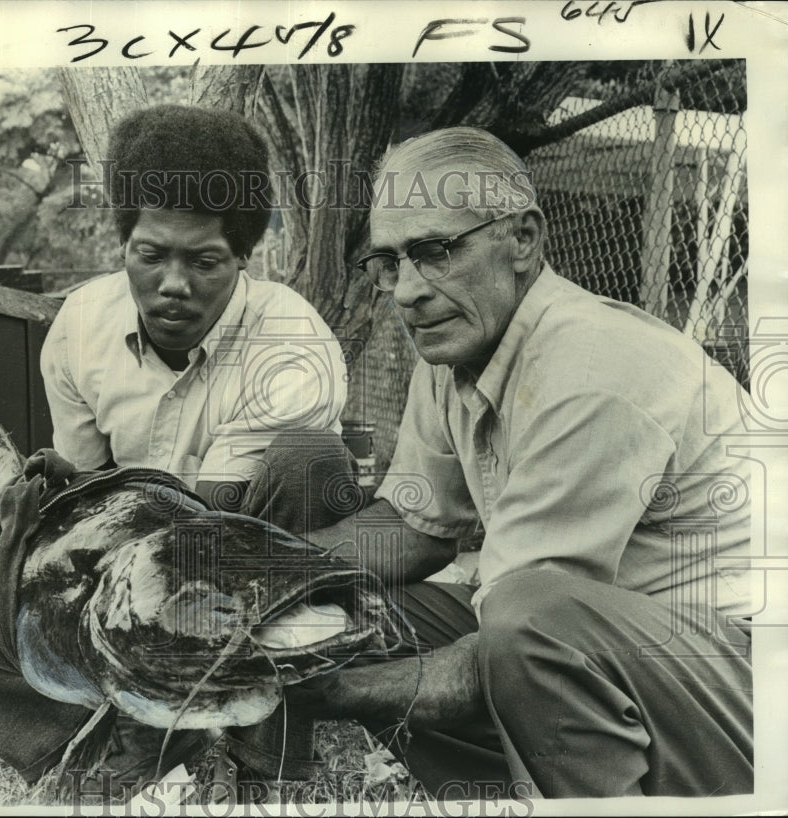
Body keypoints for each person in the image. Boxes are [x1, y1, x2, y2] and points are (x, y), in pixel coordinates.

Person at [0, 105, 352, 793]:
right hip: (116, 574)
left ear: (243, 258)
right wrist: (7, 506)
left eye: (203, 261)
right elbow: (84, 498)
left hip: (229, 572)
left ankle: (264, 756)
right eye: (150, 255)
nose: (174, 284)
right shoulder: (81, 323)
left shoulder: (296, 345)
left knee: (308, 460)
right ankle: (89, 747)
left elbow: (204, 533)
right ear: (122, 245)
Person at [291, 126, 754, 799]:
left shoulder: (590, 369)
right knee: (373, 617)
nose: (406, 291)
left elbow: (512, 644)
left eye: (435, 251)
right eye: (388, 263)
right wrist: (256, 572)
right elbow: (415, 528)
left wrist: (322, 690)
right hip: (637, 657)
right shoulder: (455, 346)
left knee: (521, 625)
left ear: (524, 240)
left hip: (746, 681)